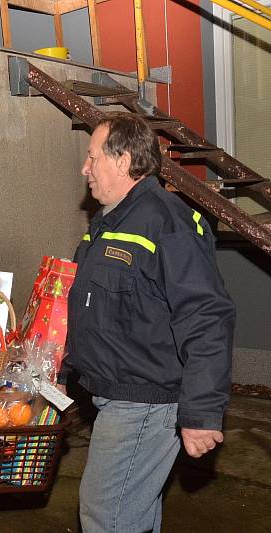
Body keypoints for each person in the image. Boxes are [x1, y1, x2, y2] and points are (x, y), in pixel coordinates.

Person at [57, 112, 235, 532]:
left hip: (146, 403)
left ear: (122, 162)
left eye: (92, 156)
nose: (85, 168)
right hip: (117, 396)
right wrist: (65, 371)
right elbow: (91, 308)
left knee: (106, 516)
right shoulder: (108, 223)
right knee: (130, 514)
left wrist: (201, 412)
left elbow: (206, 316)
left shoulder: (167, 221)